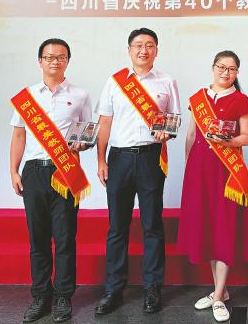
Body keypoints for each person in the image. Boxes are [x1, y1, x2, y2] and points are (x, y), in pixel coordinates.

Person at [93, 28, 181, 316]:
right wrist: (101, 160)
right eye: (138, 45)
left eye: (150, 45)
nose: (144, 50)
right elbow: (105, 122)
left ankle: (152, 287)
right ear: (129, 50)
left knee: (151, 224)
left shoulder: (167, 82)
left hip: (150, 158)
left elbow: (173, 119)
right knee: (117, 226)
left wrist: (167, 133)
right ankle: (113, 289)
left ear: (157, 50)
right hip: (119, 158)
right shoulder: (115, 81)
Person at [9, 38, 93, 324]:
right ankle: (40, 296)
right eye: (49, 57)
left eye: (61, 57)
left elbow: (86, 132)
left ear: (67, 61)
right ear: (40, 61)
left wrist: (83, 144)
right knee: (38, 238)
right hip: (34, 172)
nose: (55, 61)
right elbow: (18, 136)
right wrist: (14, 171)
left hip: (65, 171)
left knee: (65, 237)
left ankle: (63, 297)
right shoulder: (27, 97)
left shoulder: (80, 95)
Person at [178, 51, 248, 323]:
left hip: (227, 173)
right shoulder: (198, 98)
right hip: (199, 172)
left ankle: (219, 295)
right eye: (222, 67)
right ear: (213, 67)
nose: (226, 72)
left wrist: (227, 142)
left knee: (224, 229)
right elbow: (191, 135)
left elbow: (247, 137)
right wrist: (189, 168)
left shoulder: (241, 100)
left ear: (237, 73)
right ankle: (220, 290)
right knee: (209, 229)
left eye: (231, 69)